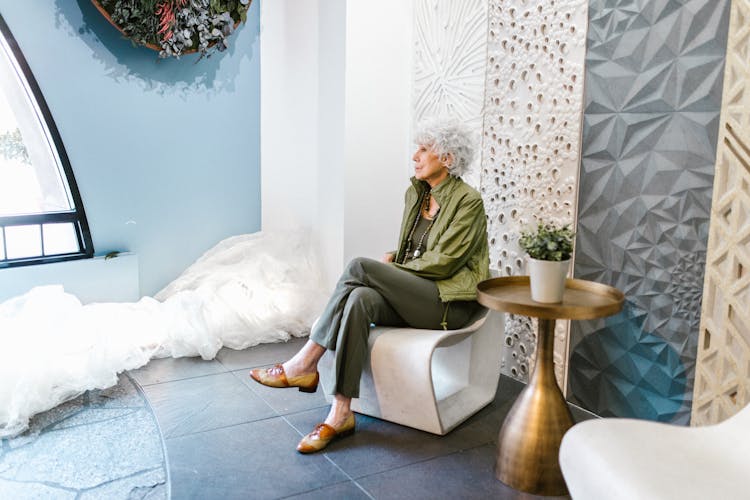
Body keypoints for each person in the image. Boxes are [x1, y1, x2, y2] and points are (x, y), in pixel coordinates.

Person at [250, 118, 490, 453]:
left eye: (424, 149)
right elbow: (416, 249)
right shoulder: (417, 195)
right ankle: (341, 412)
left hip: (449, 302)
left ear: (447, 158)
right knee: (360, 297)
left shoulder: (469, 201)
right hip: (420, 293)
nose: (415, 156)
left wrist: (395, 269)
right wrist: (395, 258)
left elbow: (445, 261)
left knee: (359, 267)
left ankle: (305, 362)